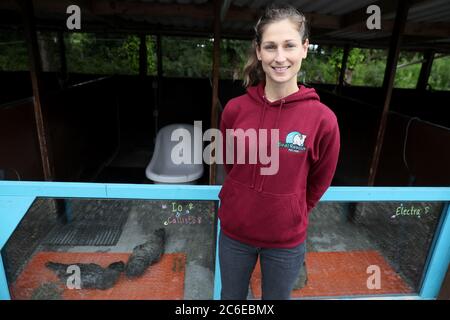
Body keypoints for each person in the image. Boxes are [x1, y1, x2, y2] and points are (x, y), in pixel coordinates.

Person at [218, 5, 340, 300]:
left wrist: (291, 209)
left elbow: (320, 181)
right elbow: (231, 164)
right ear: (259, 52)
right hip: (235, 235)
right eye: (270, 47)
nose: (280, 57)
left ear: (305, 48)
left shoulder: (323, 119)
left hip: (285, 241)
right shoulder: (235, 110)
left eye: (289, 45)